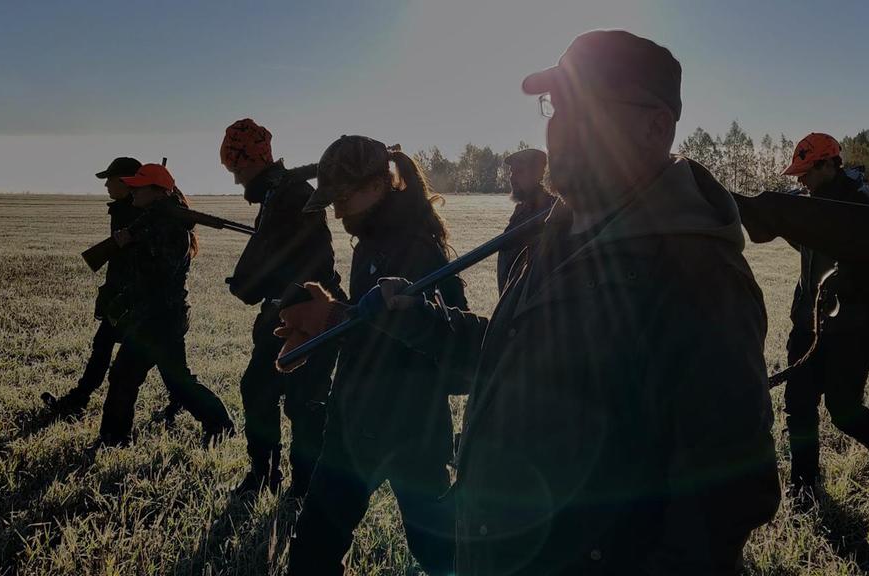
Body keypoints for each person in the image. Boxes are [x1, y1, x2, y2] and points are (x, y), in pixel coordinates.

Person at [279, 31, 780, 575]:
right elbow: (513, 362)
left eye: (586, 108)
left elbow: (725, 500)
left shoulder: (699, 275)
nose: (559, 128)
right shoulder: (559, 234)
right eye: (556, 106)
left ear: (655, 126)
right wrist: (415, 319)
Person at [280, 136, 468, 575]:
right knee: (313, 551)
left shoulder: (417, 248)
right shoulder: (371, 242)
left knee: (442, 553)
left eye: (343, 198)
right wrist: (329, 315)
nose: (339, 212)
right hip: (357, 420)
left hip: (408, 429)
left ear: (378, 184)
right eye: (332, 203)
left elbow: (437, 348)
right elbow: (372, 324)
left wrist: (332, 320)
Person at [221, 118, 345, 497]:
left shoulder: (293, 195)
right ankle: (264, 474)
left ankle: (304, 486)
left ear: (256, 160)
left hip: (310, 314)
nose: (237, 178)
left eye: (238, 167)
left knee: (304, 403)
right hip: (280, 313)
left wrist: (289, 297)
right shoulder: (277, 195)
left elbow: (319, 258)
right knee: (257, 389)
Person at [780, 133, 869, 498]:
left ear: (828, 164)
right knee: (798, 405)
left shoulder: (866, 203)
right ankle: (804, 485)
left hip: (852, 326)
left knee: (843, 408)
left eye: (806, 171)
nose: (799, 179)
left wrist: (852, 267)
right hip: (807, 320)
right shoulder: (806, 203)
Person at [95, 163, 234, 448]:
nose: (132, 190)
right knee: (173, 381)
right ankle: (220, 423)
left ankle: (114, 439)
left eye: (138, 186)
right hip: (155, 317)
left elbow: (159, 272)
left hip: (159, 319)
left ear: (158, 191)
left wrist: (131, 242)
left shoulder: (170, 228)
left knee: (129, 376)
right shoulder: (151, 220)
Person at [43, 157, 183, 423]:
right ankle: (80, 399)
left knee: (151, 363)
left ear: (127, 181)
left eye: (111, 179)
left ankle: (85, 406)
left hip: (138, 301)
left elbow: (146, 262)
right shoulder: (128, 209)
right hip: (124, 296)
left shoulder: (142, 212)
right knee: (111, 351)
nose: (106, 184)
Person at [496, 148, 554, 295]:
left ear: (539, 174)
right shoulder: (522, 209)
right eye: (511, 172)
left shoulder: (549, 214)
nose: (512, 178)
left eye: (520, 171)